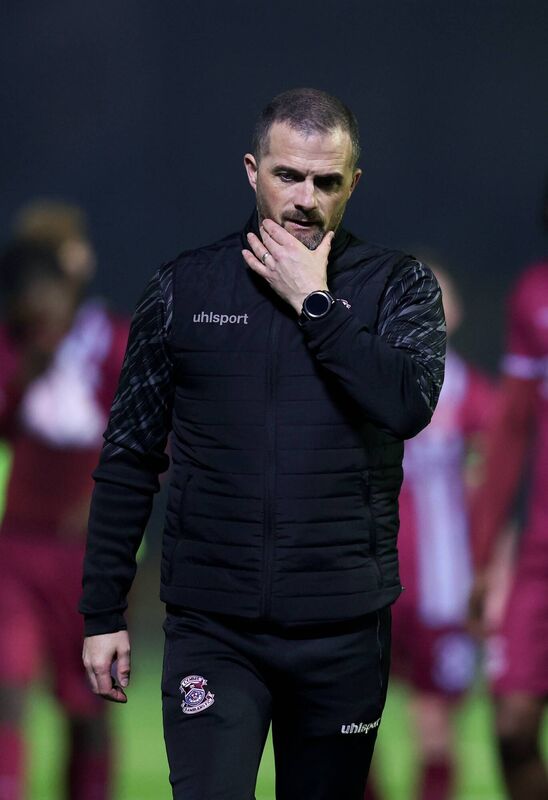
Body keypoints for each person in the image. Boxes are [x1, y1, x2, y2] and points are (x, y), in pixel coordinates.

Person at [80, 87, 446, 800]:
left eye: (326, 181)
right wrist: (102, 611)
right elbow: (129, 457)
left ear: (353, 184)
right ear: (252, 171)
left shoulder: (398, 288)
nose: (306, 199)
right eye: (288, 175)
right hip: (214, 630)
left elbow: (407, 404)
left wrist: (315, 303)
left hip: (343, 631)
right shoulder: (184, 288)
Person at [0, 209, 128, 800]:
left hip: (88, 554)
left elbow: (151, 437)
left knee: (89, 702)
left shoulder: (112, 341)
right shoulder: (14, 348)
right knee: (8, 683)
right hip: (18, 547)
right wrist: (26, 372)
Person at [365, 266, 495, 800]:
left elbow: (490, 494)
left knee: (435, 729)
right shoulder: (363, 383)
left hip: (444, 587)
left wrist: (495, 572)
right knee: (349, 725)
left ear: (455, 312)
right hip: (368, 580)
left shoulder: (473, 395)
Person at [469, 186, 548, 799]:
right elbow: (509, 436)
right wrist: (484, 555)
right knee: (512, 727)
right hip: (539, 559)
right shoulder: (534, 294)